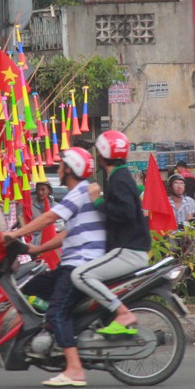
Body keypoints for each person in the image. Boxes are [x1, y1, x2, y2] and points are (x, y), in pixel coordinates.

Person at [3, 147, 106, 387]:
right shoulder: (79, 193)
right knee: (32, 286)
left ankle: (75, 369)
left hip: (80, 266)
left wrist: (15, 234)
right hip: (71, 264)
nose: (58, 169)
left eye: (60, 166)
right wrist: (36, 250)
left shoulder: (78, 192)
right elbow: (68, 233)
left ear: (69, 169)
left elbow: (50, 218)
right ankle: (56, 342)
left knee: (57, 311)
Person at [69, 130, 148, 339]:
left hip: (128, 250)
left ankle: (122, 314)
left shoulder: (119, 179)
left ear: (102, 155)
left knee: (80, 275)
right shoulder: (120, 176)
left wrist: (98, 202)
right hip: (129, 248)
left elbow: (126, 212)